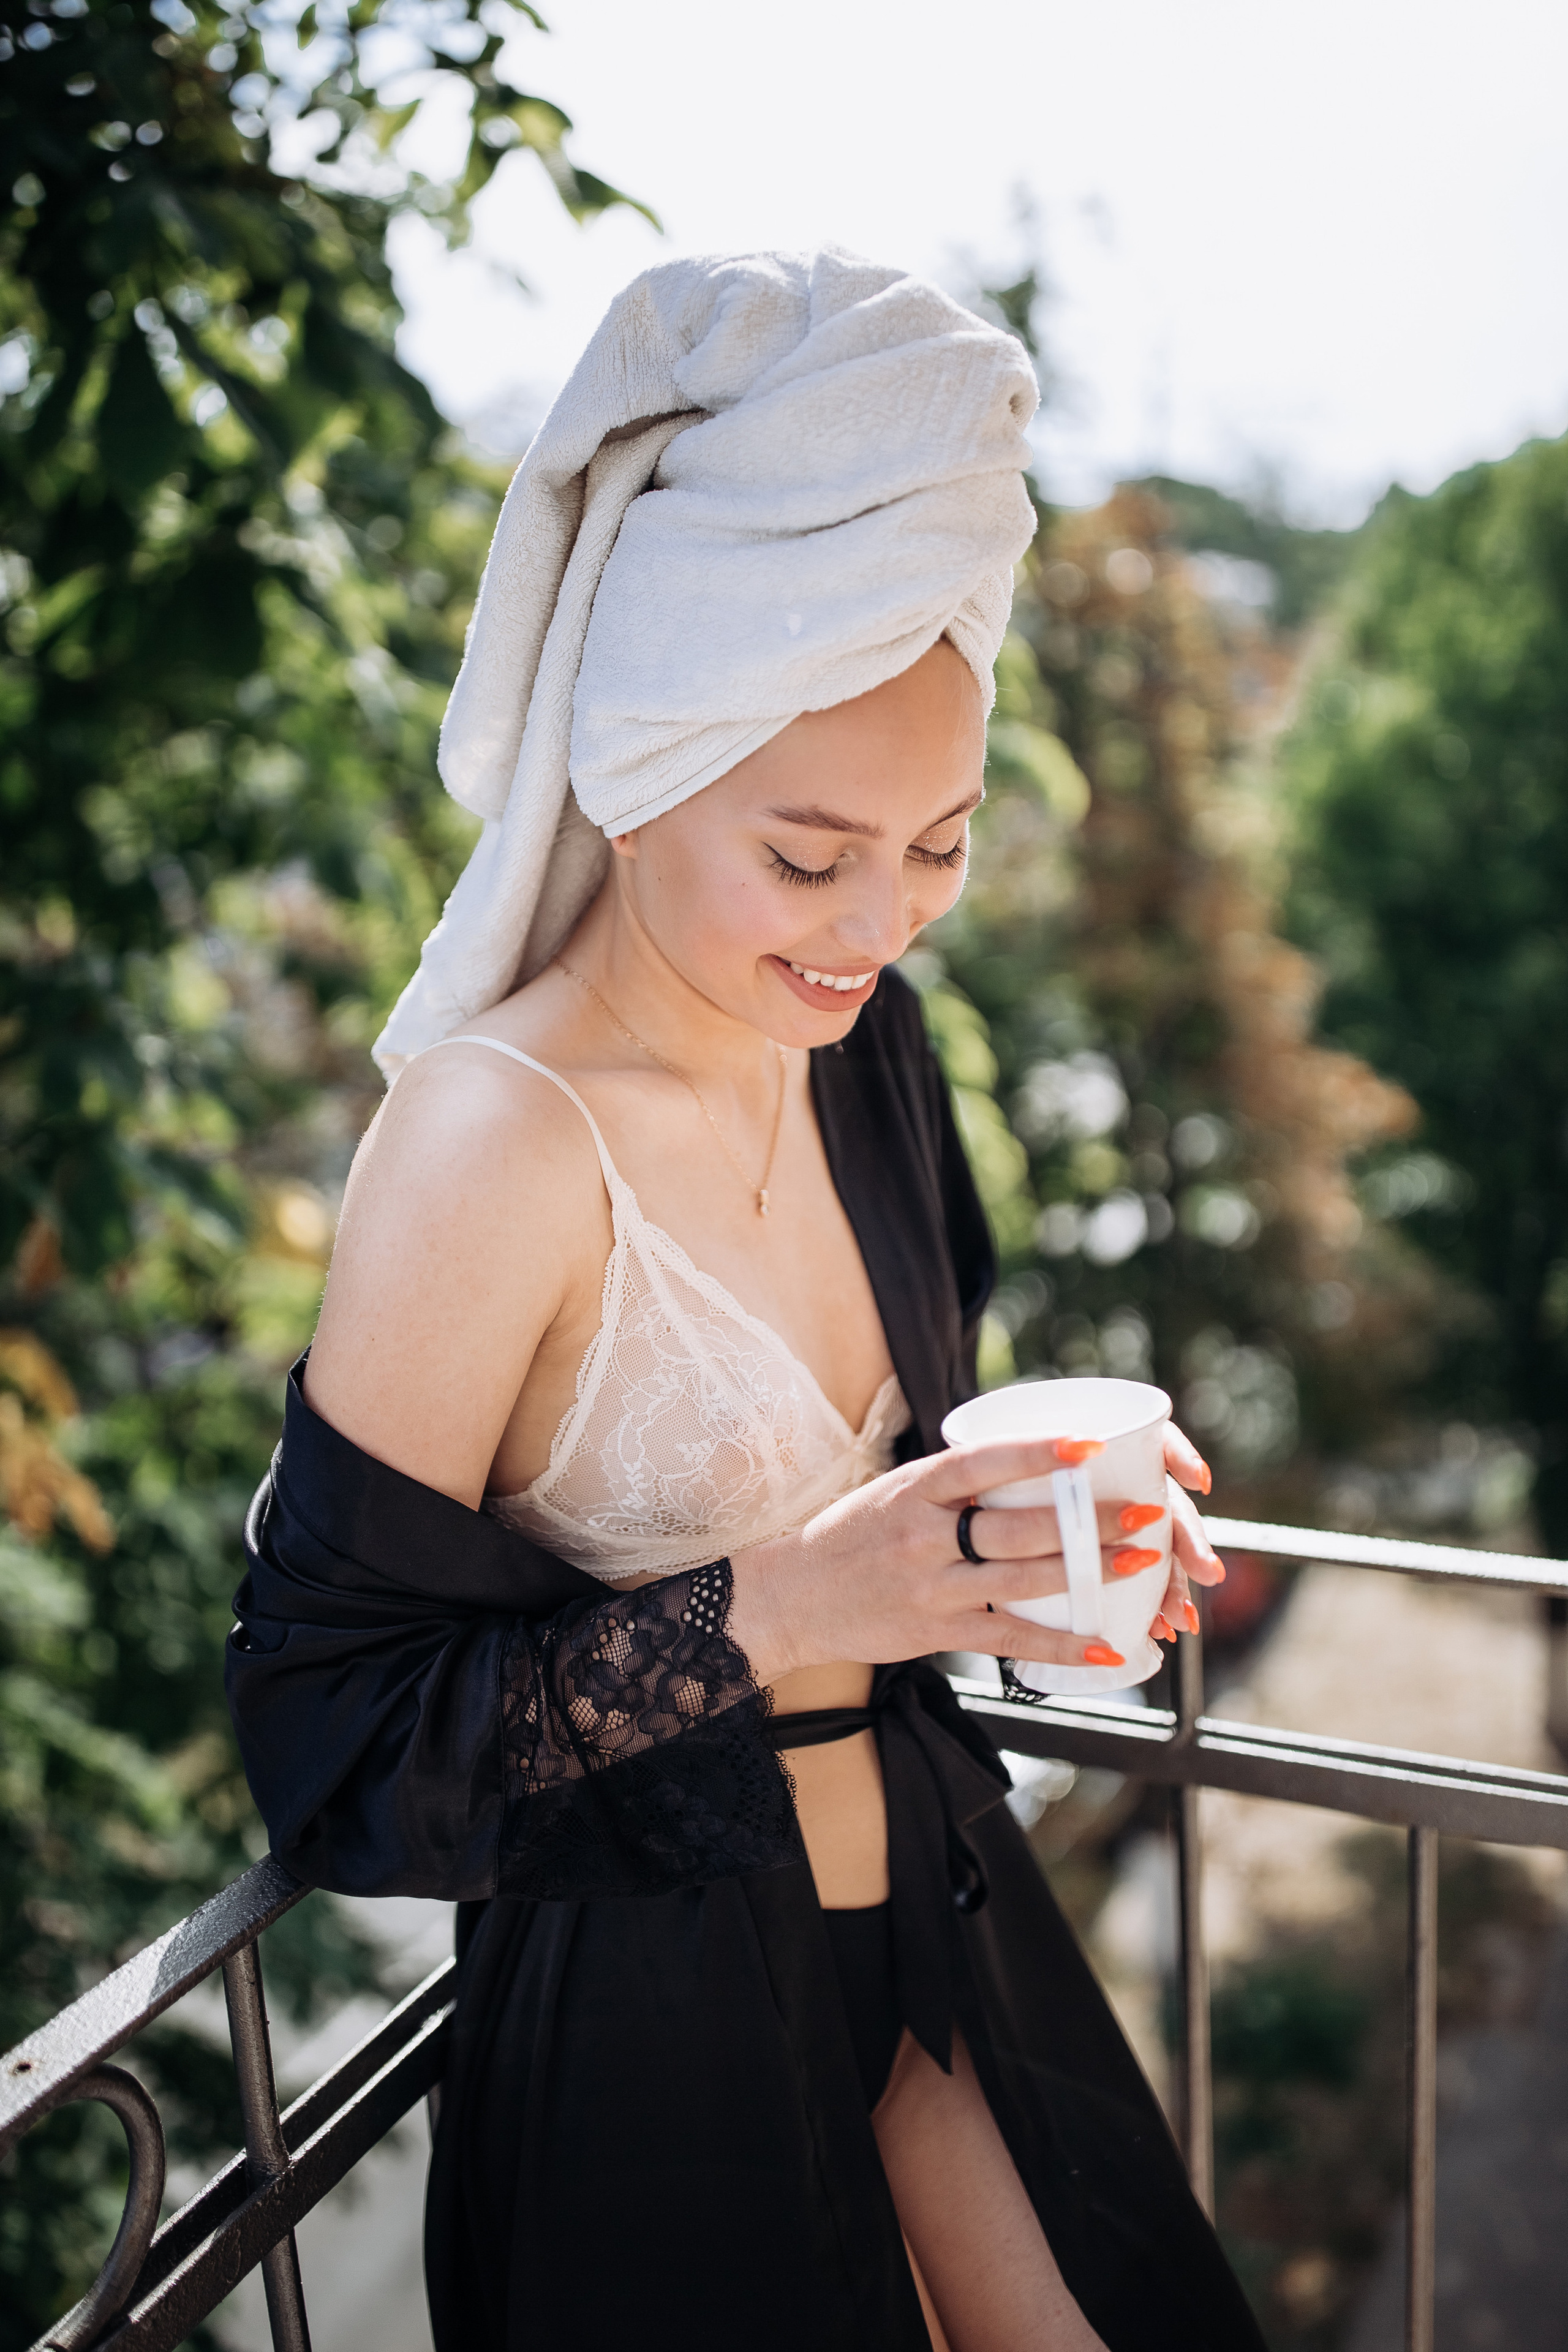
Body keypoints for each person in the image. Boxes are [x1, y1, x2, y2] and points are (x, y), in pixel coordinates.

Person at [227, 249, 1264, 2351]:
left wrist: (1044, 1551)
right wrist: (792, 1605)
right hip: (655, 2043)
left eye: (942, 849)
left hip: (945, 1937)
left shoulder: (859, 1045)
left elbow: (910, 1498)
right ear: (638, 760)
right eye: (810, 859)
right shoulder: (490, 1149)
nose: (878, 926)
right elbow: (326, 1747)